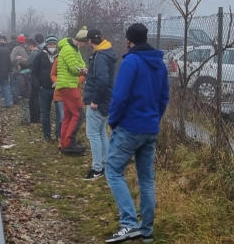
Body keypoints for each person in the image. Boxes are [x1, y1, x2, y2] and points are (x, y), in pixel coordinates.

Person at [104, 23, 169, 244]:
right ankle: (146, 231)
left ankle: (129, 223)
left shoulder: (131, 61)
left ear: (129, 40)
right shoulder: (159, 63)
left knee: (113, 170)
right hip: (150, 128)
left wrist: (113, 121)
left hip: (129, 127)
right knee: (146, 179)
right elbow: (164, 97)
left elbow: (120, 96)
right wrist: (154, 118)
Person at [83, 28, 117, 181]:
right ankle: (106, 164)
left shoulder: (100, 56)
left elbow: (102, 80)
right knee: (102, 132)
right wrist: (89, 71)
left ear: (89, 40)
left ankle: (97, 169)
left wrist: (94, 101)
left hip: (98, 101)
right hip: (107, 99)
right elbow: (103, 76)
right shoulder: (107, 52)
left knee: (93, 134)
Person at [56, 28, 89, 154]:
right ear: (81, 41)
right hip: (68, 85)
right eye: (85, 43)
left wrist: (82, 67)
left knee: (69, 114)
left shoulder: (73, 48)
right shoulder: (69, 49)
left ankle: (64, 143)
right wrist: (83, 70)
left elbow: (81, 63)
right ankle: (70, 143)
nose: (86, 46)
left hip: (67, 84)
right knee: (79, 113)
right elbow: (75, 68)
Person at [33, 34, 62, 142]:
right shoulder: (40, 56)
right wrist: (38, 86)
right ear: (47, 44)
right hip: (44, 89)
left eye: (54, 44)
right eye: (50, 44)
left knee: (60, 112)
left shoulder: (61, 55)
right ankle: (47, 134)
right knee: (45, 112)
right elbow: (34, 72)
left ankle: (59, 134)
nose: (52, 46)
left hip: (58, 88)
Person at [17, 39, 37, 125]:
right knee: (28, 106)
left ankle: (26, 120)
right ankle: (28, 119)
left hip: (24, 93)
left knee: (24, 107)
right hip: (29, 92)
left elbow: (22, 85)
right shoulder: (29, 74)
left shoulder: (21, 76)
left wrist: (20, 94)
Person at [9, 35, 28, 101]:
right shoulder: (27, 49)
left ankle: (16, 99)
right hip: (25, 71)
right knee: (23, 84)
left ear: (18, 41)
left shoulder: (16, 49)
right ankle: (23, 97)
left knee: (15, 84)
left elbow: (12, 59)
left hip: (16, 70)